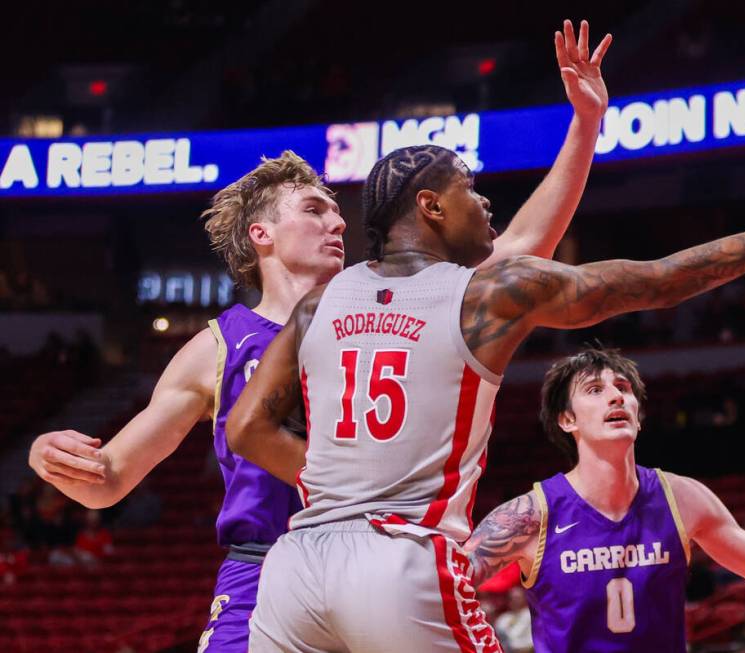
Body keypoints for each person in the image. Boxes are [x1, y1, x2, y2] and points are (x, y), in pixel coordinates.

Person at [229, 83, 745, 647]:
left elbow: (245, 428)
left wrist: (341, 485)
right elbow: (662, 279)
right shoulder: (487, 293)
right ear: (430, 206)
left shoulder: (320, 303)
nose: (486, 199)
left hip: (296, 569)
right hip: (398, 557)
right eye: (470, 187)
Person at [26, 17, 611, 650]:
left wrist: (585, 124)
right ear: (261, 235)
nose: (337, 223)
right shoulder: (216, 348)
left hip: (385, 563)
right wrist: (46, 457)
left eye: (339, 212)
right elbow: (110, 475)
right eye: (314, 210)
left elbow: (525, 244)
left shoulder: (397, 294)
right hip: (264, 574)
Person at [461, 349, 745, 652]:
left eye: (623, 387)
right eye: (594, 390)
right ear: (566, 420)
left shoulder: (682, 498)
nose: (616, 394)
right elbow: (444, 588)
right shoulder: (532, 514)